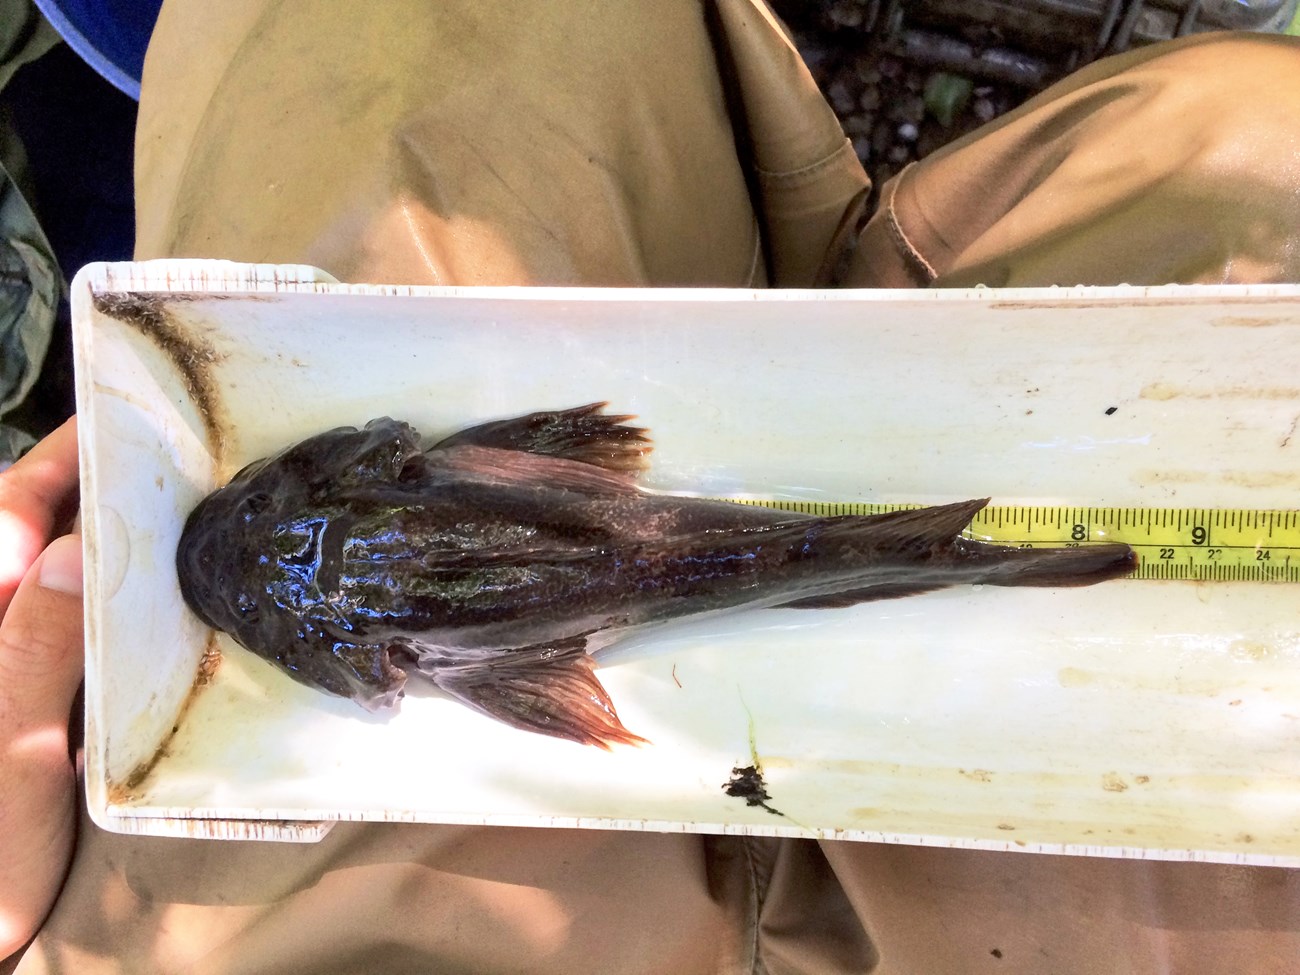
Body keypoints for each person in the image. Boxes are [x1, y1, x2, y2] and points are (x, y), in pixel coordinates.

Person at [4, 2, 1300, 971]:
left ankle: (959, 521)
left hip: (337, 869)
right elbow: (568, 445)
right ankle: (950, 494)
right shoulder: (411, 478)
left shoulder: (394, 675)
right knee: (1238, 135)